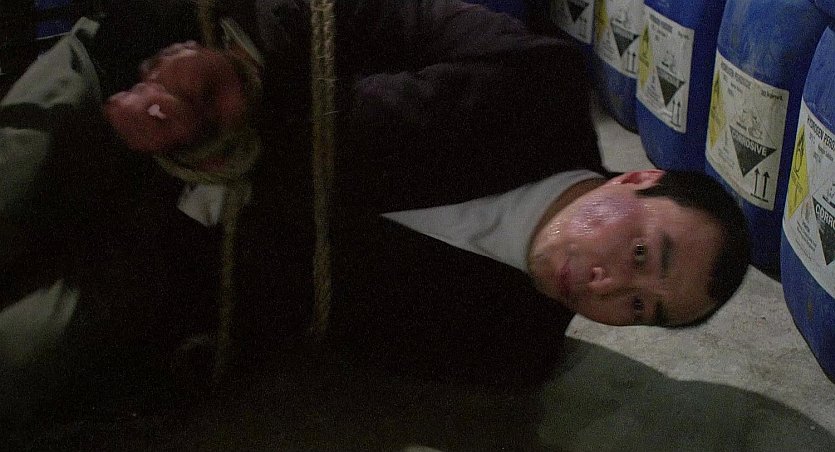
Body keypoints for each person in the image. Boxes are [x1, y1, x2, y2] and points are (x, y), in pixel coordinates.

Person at [0, 0, 749, 419]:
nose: (610, 289)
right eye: (641, 255)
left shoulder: (508, 348)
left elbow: (305, 340)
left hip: (166, 263)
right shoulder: (530, 82)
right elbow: (347, 15)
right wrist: (229, 79)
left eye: (639, 308)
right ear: (636, 179)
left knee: (24, 356)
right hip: (149, 86)